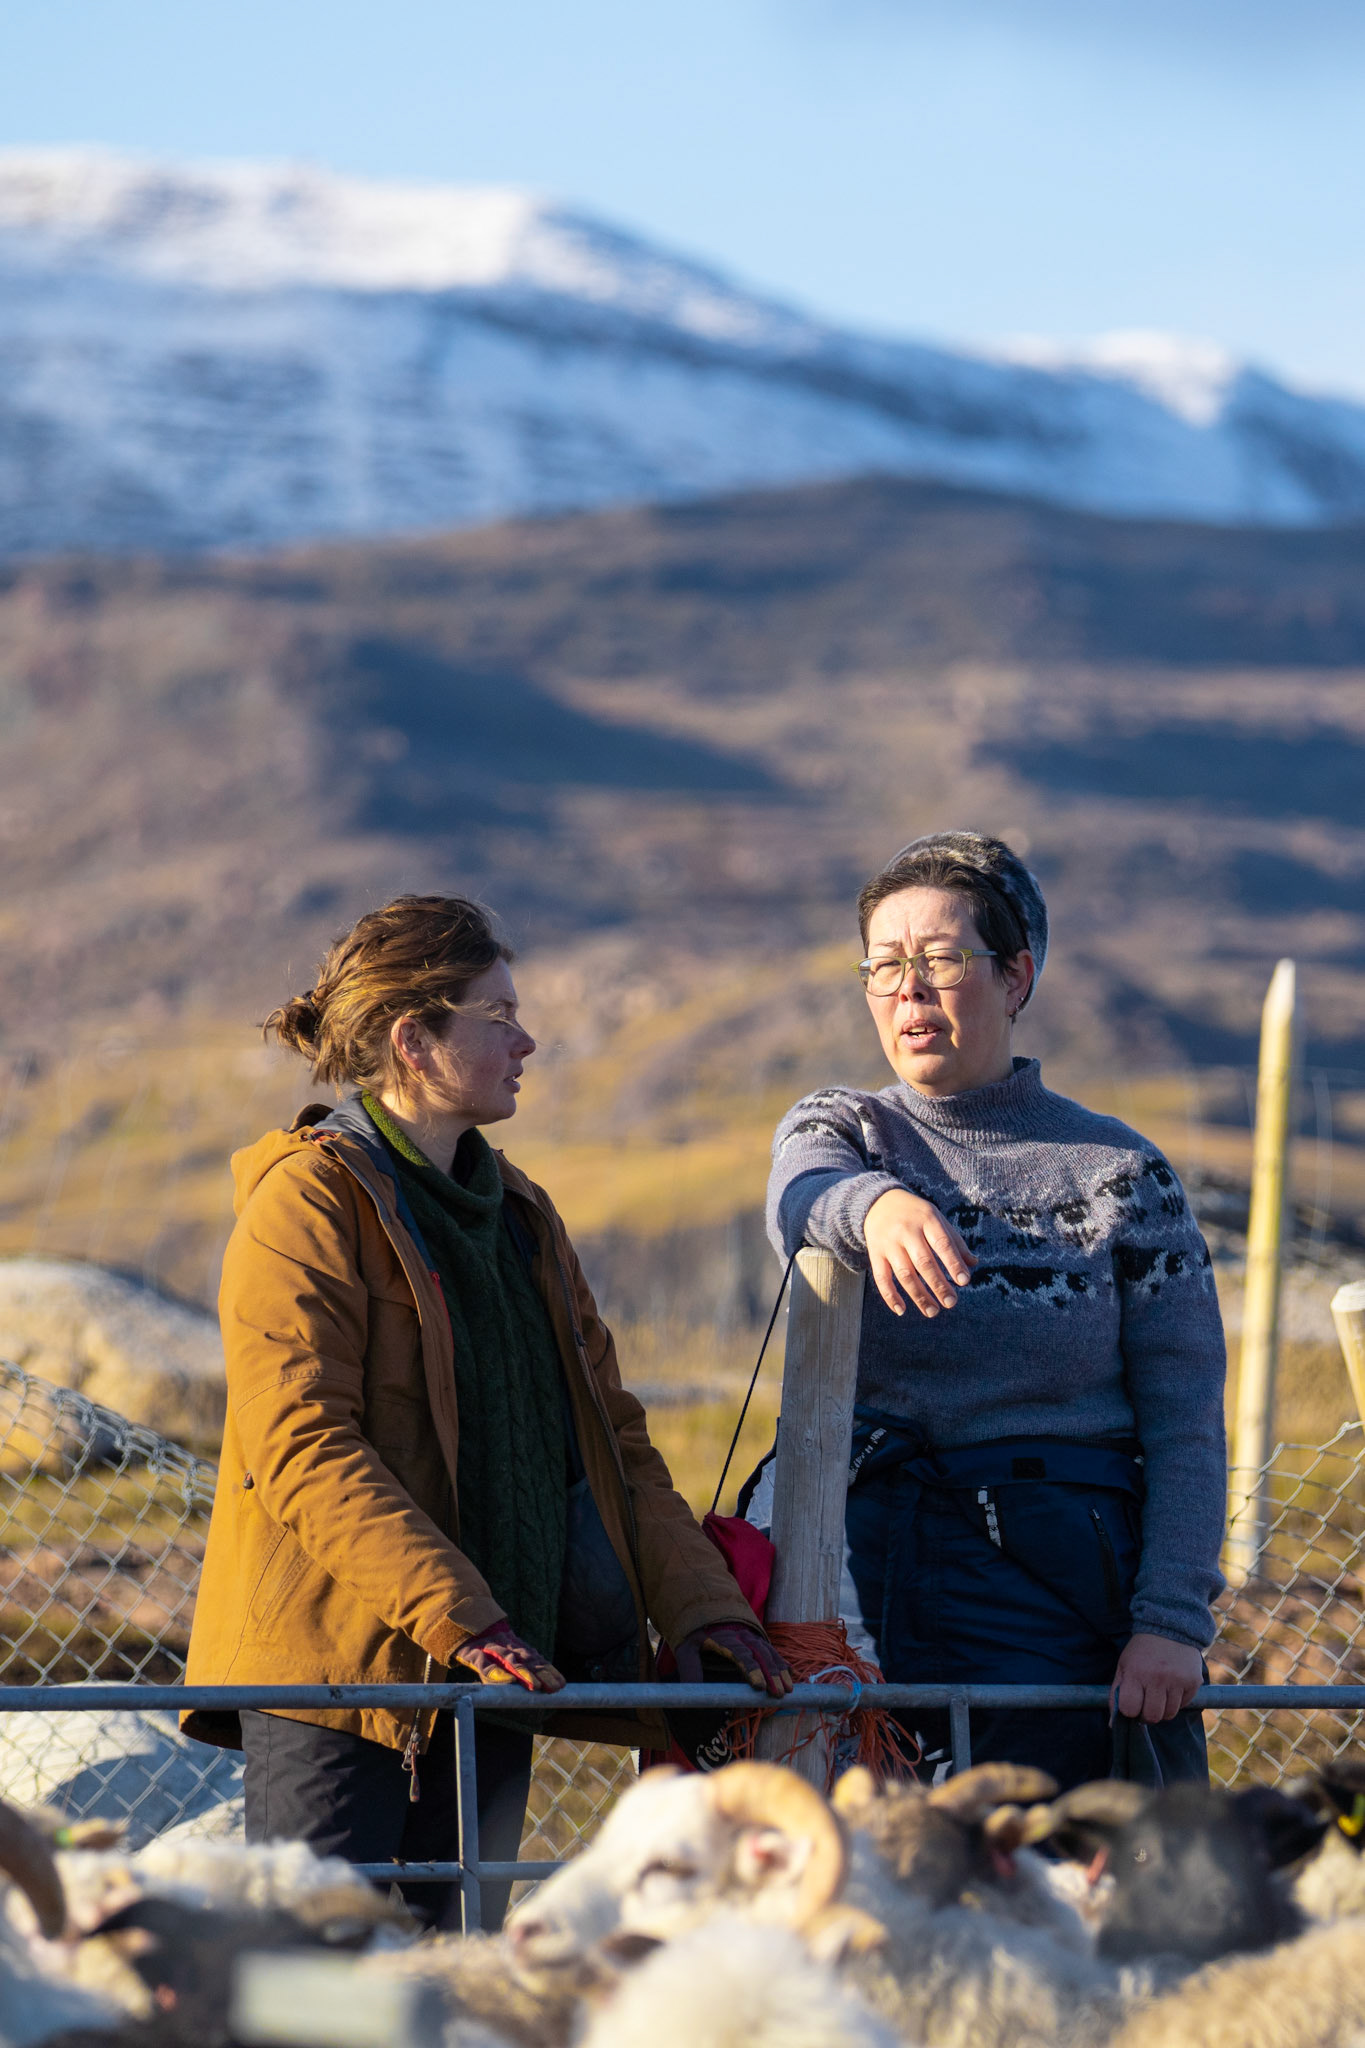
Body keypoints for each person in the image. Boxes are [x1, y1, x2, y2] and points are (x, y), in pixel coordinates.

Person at [183, 894, 788, 1927]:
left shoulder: (522, 1218)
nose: (527, 1039)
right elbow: (303, 1447)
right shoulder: (307, 1201)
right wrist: (467, 1617)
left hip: (499, 1669)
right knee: (309, 1986)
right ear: (415, 1040)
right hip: (340, 1678)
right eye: (497, 1015)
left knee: (448, 1977)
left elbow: (615, 1442)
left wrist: (708, 1610)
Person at [765, 832, 1226, 1790]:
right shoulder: (847, 1132)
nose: (908, 992)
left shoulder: (1122, 1176)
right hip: (864, 1573)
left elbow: (1185, 1425)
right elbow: (798, 1194)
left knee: (1063, 1884)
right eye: (884, 966)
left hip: (1062, 1587)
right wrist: (874, 1205)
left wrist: (1170, 1627)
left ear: (1015, 976)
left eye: (939, 961)